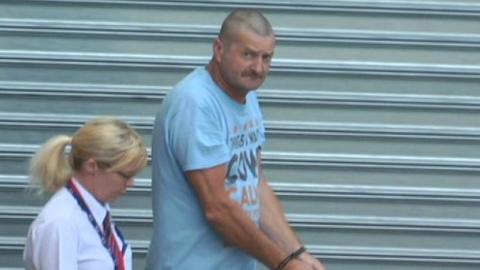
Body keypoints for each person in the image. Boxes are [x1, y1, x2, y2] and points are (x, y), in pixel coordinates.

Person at [146, 8, 326, 270]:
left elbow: (254, 185)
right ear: (219, 50)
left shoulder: (246, 96)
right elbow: (218, 208)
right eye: (248, 55)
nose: (258, 68)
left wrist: (297, 254)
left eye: (267, 57)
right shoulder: (196, 104)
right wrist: (284, 264)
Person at [23, 117, 148, 270]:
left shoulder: (96, 213)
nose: (131, 184)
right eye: (126, 176)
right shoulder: (61, 224)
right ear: (92, 166)